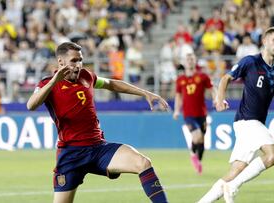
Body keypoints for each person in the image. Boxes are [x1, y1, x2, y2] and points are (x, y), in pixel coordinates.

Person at [26, 42, 169, 203]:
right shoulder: (47, 84)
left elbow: (111, 84)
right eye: (74, 60)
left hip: (98, 148)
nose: (78, 65)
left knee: (143, 162)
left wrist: (144, 93)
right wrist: (54, 80)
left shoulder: (86, 76)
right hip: (71, 155)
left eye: (80, 60)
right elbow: (31, 105)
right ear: (61, 62)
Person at [198, 27, 274, 203]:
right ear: (264, 42)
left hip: (252, 123)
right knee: (273, 155)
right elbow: (225, 78)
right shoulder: (250, 62)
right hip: (247, 120)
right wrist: (220, 99)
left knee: (236, 170)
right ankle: (234, 186)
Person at [173, 53, 216, 175]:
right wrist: (176, 110)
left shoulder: (202, 77)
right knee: (196, 136)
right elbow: (178, 96)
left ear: (195, 61)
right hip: (188, 114)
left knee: (201, 139)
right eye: (188, 59)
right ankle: (193, 154)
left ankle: (199, 160)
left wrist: (216, 99)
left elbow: (212, 89)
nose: (190, 61)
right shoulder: (180, 80)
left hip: (202, 113)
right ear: (184, 63)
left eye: (192, 59)